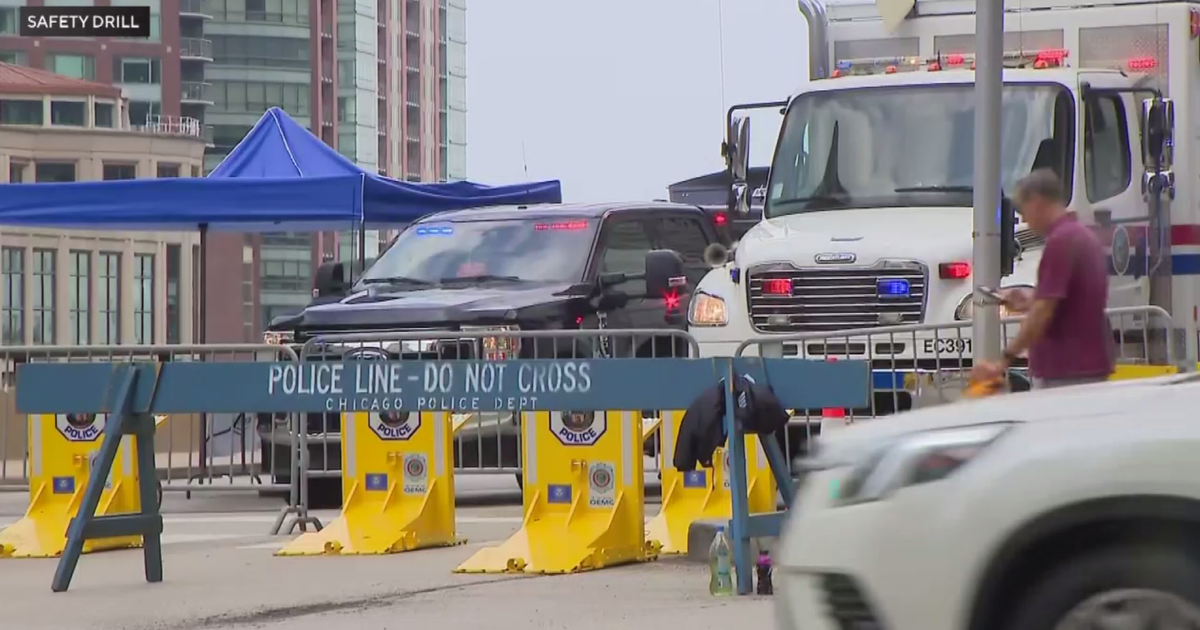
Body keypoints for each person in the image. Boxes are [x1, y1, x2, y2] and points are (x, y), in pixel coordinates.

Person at [973, 169, 1114, 389]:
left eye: (1024, 210)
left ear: (1036, 202)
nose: (1026, 220)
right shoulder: (1082, 236)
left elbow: (1044, 311)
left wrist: (1005, 358)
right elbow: (1067, 301)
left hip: (1065, 371)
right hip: (1086, 366)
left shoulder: (1060, 242)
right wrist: (1030, 301)